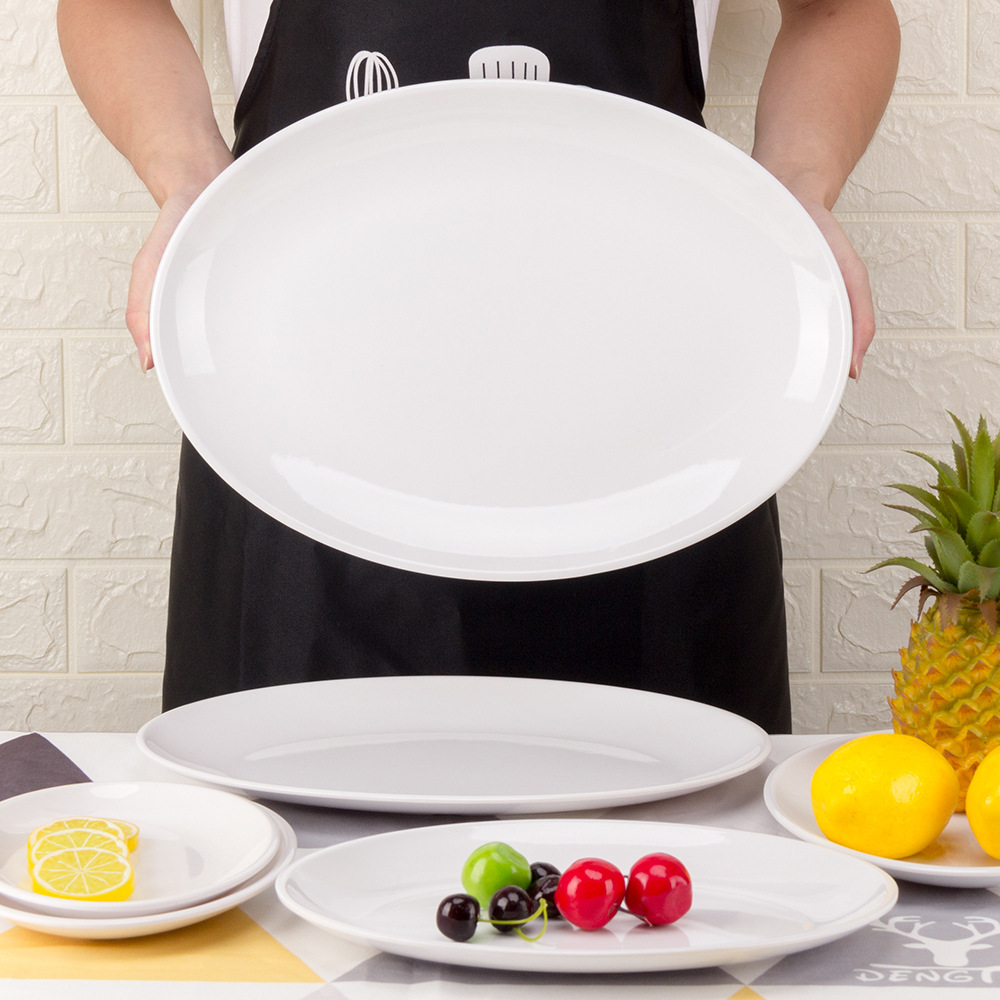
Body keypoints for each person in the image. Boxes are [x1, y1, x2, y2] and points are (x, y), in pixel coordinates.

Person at [56, 0, 900, 734]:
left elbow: (838, 9)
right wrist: (193, 188)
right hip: (302, 439)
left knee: (664, 851)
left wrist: (793, 198)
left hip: (649, 438)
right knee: (292, 844)